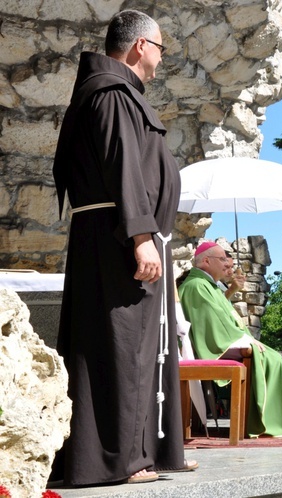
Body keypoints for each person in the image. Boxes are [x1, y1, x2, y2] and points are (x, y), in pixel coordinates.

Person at [50, 10, 190, 486]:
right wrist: (140, 237)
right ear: (139, 47)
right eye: (160, 47)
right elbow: (125, 169)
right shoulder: (111, 96)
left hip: (126, 235)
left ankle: (155, 450)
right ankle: (117, 460)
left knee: (145, 349)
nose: (161, 57)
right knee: (120, 349)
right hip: (118, 239)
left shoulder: (116, 93)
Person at [179, 241, 282, 437]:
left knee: (270, 356)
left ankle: (273, 419)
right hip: (215, 346)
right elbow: (214, 324)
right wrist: (247, 341)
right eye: (222, 260)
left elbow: (221, 314)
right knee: (271, 358)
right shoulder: (197, 286)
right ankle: (260, 422)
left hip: (226, 339)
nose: (227, 264)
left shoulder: (207, 285)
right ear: (206, 261)